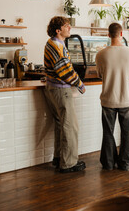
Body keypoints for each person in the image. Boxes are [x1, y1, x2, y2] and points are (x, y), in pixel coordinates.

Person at [43, 16, 86, 173]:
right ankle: (68, 163)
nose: (70, 28)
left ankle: (59, 157)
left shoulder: (55, 43)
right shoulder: (56, 45)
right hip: (61, 90)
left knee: (61, 124)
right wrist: (80, 84)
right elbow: (65, 71)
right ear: (58, 30)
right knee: (70, 126)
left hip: (53, 88)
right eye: (67, 26)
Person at [95, 23, 129, 171]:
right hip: (126, 99)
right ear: (121, 34)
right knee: (127, 133)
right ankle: (125, 164)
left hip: (108, 99)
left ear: (108, 35)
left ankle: (108, 163)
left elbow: (100, 75)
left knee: (108, 133)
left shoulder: (101, 54)